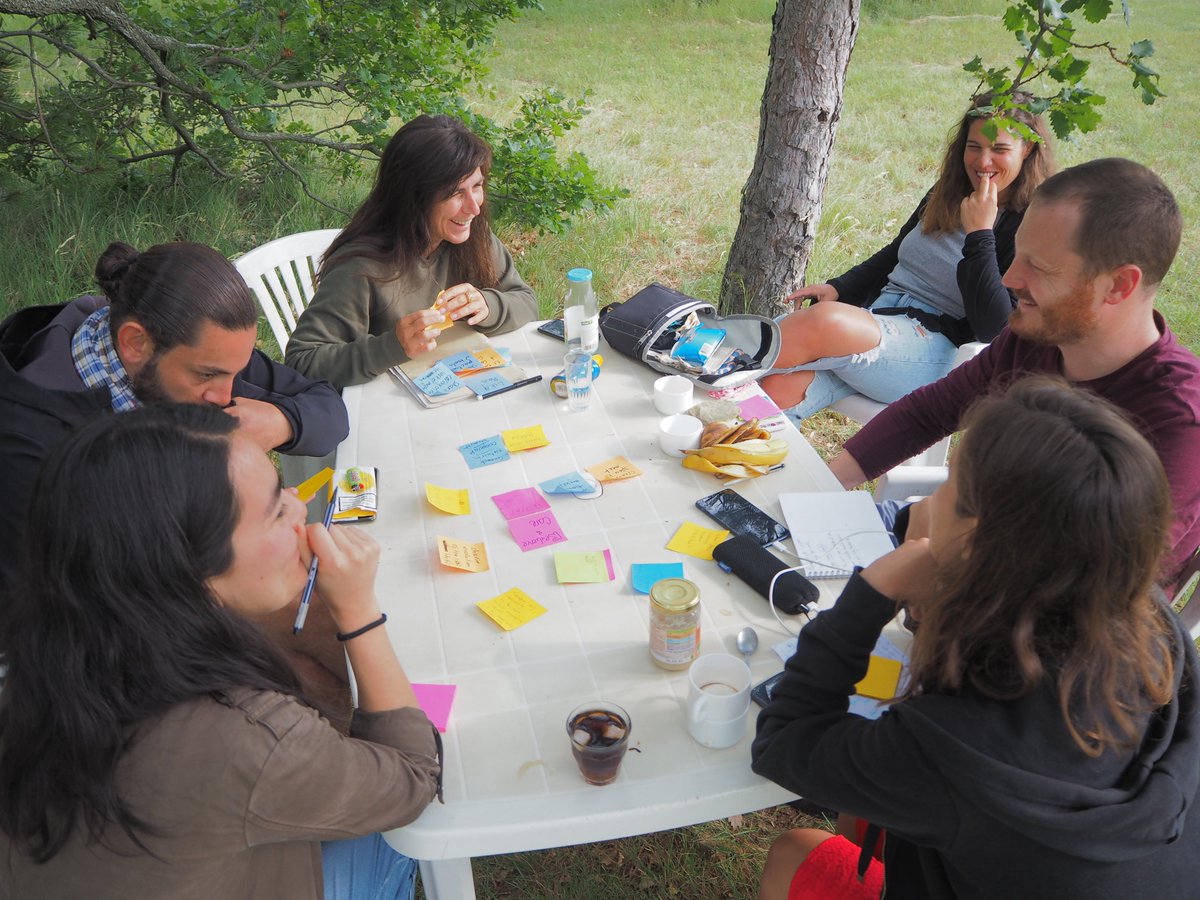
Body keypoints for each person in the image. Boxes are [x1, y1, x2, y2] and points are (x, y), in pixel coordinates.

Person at [753, 378, 1200, 900]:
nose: (931, 496)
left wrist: (872, 593)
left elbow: (784, 743)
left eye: (948, 485)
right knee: (866, 810)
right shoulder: (1151, 623)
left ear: (974, 540)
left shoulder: (950, 749)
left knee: (797, 852)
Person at [0, 405, 440, 899]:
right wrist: (360, 612)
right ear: (192, 572)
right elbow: (410, 777)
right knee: (402, 837)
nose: (301, 508)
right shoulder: (242, 736)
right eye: (277, 510)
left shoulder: (69, 637)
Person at [826, 158, 1200, 587]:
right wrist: (823, 486)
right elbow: (931, 412)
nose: (1008, 278)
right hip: (960, 549)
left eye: (1038, 267)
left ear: (1119, 285)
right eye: (1017, 254)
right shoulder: (1036, 334)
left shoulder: (1180, 418)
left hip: (1041, 619)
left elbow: (1110, 585)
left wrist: (935, 561)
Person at [0, 240, 349, 590]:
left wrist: (280, 423)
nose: (227, 396)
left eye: (237, 371)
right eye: (208, 374)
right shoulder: (32, 451)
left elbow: (329, 409)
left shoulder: (199, 354)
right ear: (135, 343)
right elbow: (67, 610)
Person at [761, 93, 1053, 420]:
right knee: (771, 395)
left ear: (1027, 149)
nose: (983, 162)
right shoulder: (946, 192)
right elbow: (895, 254)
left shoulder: (1032, 223)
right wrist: (840, 288)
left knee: (822, 321)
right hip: (879, 321)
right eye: (974, 147)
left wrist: (980, 235)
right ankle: (739, 453)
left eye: (999, 149)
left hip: (932, 353)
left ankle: (716, 367)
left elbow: (996, 328)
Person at [285, 114, 538, 389]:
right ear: (414, 196)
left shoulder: (474, 235)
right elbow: (303, 361)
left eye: (477, 186)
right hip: (386, 409)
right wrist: (392, 346)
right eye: (456, 193)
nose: (474, 208)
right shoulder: (360, 267)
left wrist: (489, 306)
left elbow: (526, 302)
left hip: (459, 389)